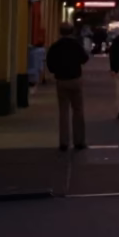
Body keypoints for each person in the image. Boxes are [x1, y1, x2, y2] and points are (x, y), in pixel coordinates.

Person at [46, 22, 90, 151]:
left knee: (63, 111)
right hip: (75, 78)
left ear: (60, 32)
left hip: (61, 80)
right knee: (78, 110)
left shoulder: (55, 46)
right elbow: (84, 59)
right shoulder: (76, 45)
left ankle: (64, 142)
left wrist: (56, 71)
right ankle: (79, 141)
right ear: (72, 31)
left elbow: (50, 64)